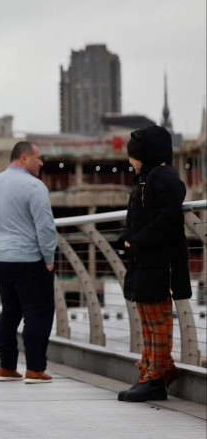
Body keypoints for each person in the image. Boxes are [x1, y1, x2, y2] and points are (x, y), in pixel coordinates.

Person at [116, 125, 190, 403]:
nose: (130, 161)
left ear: (145, 154)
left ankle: (156, 377)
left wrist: (138, 241)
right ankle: (155, 369)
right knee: (147, 318)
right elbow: (136, 219)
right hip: (145, 262)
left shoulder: (165, 178)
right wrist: (128, 237)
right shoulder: (146, 180)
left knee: (158, 320)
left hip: (161, 262)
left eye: (133, 155)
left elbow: (169, 219)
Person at [0, 142, 57, 384]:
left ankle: (7, 367)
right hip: (28, 257)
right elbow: (45, 227)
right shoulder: (34, 186)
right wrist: (48, 258)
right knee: (38, 312)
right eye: (38, 157)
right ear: (25, 158)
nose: (41, 162)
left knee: (10, 311)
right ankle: (35, 368)